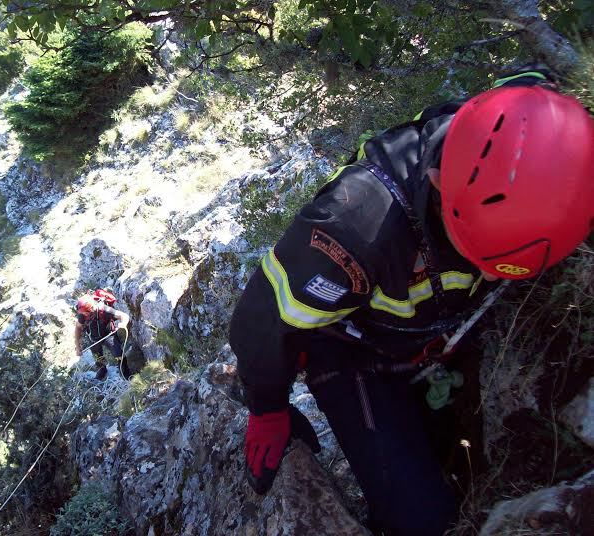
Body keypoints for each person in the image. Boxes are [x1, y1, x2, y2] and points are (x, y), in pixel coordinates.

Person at [229, 69, 594, 536]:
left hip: (439, 329)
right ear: (440, 184)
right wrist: (268, 406)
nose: (487, 276)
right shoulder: (355, 226)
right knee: (424, 522)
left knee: (456, 461)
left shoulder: (534, 126)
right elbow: (264, 318)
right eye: (478, 257)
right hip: (354, 352)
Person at [74, 288, 134, 380]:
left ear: (92, 308)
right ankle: (102, 369)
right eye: (85, 314)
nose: (86, 316)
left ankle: (125, 372)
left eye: (87, 314)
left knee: (118, 353)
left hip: (108, 334)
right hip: (93, 338)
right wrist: (78, 346)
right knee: (97, 356)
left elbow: (123, 315)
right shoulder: (82, 315)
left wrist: (123, 323)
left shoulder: (103, 309)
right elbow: (78, 328)